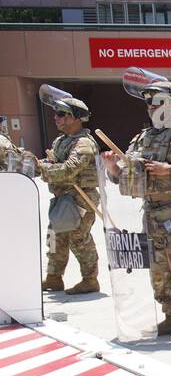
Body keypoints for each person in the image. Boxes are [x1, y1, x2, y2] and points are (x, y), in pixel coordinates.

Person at [103, 77, 171, 341]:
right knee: (159, 272)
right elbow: (130, 175)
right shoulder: (144, 137)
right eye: (149, 102)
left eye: (158, 101)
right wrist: (114, 169)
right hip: (152, 215)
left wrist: (170, 170)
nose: (152, 106)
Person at [36, 92, 100, 294]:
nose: (56, 117)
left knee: (79, 239)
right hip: (62, 198)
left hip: (80, 198)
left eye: (62, 114)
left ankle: (90, 279)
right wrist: (42, 164)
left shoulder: (84, 143)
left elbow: (68, 169)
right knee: (55, 238)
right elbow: (52, 161)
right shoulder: (61, 141)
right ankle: (54, 278)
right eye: (56, 113)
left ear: (77, 118)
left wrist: (41, 169)